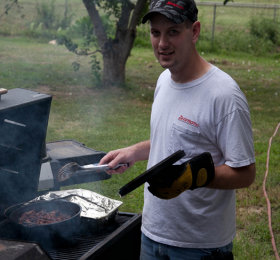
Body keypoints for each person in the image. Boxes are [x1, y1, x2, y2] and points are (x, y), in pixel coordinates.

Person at [99, 0, 256, 259]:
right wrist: (135, 151)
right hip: (152, 234)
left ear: (194, 31)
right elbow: (175, 140)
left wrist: (193, 177)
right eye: (155, 32)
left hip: (200, 246)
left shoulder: (224, 95)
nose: (162, 44)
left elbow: (245, 173)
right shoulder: (164, 80)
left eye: (173, 31)